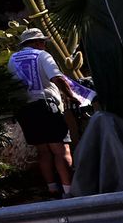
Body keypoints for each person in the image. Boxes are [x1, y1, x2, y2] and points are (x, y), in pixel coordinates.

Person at [8, 27, 94, 199]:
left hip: (25, 109)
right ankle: (69, 192)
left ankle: (52, 189)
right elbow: (57, 78)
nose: (44, 45)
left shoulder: (12, 59)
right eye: (43, 42)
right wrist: (72, 96)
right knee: (61, 151)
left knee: (43, 151)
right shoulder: (42, 56)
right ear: (37, 42)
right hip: (45, 106)